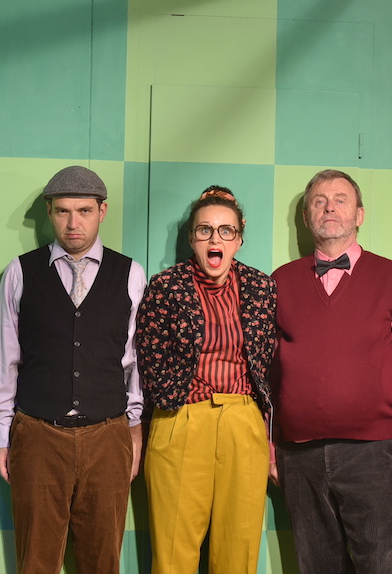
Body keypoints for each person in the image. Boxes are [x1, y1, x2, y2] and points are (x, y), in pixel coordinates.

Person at [270, 169, 392, 574]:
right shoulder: (279, 282)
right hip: (299, 455)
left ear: (359, 214)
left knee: (381, 565)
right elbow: (266, 375)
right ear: (306, 218)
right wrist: (269, 447)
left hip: (374, 454)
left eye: (340, 200)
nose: (329, 208)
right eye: (319, 201)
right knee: (315, 567)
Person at [0, 165, 147, 574]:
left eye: (84, 211)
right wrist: (3, 436)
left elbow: (133, 361)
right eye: (63, 211)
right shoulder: (20, 272)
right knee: (36, 562)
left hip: (108, 436)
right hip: (37, 435)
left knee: (102, 562)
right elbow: (6, 359)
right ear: (49, 212)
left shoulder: (130, 273)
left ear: (102, 211)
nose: (73, 223)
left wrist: (133, 430)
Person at [135, 186, 277, 574]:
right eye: (205, 230)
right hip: (181, 419)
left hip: (243, 421)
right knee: (173, 554)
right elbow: (149, 357)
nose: (216, 239)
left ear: (239, 238)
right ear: (192, 238)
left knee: (238, 550)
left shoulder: (262, 287)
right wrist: (175, 407)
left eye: (226, 231)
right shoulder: (166, 286)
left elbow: (267, 359)